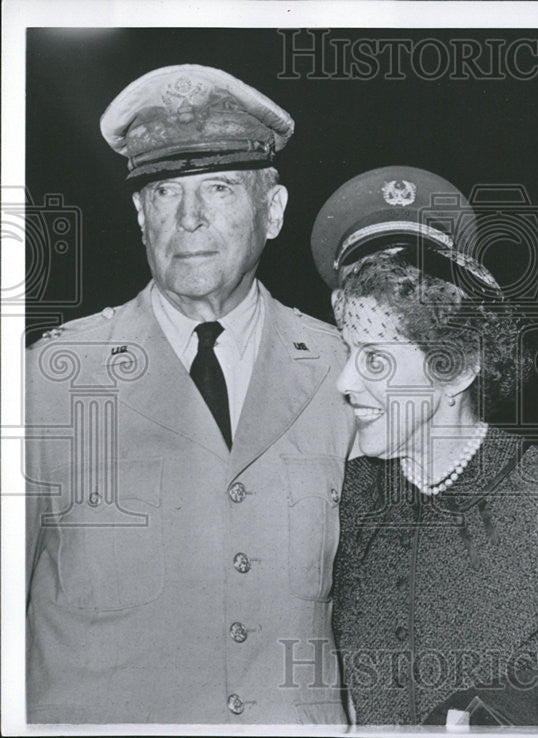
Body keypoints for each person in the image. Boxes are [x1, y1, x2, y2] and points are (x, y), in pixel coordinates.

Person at [25, 65, 354, 723]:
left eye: (220, 187)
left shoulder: (342, 370)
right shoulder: (50, 378)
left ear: (274, 210)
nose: (190, 217)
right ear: (140, 214)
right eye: (165, 192)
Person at [311, 167, 538, 726]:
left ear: (456, 367)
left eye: (373, 358)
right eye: (348, 352)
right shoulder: (352, 496)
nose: (344, 381)